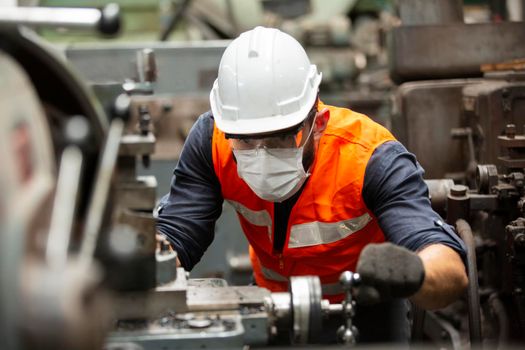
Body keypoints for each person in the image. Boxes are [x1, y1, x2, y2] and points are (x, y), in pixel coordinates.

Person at [156, 26, 468, 343]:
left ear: (316, 124)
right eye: (246, 141)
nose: (261, 154)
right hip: (270, 308)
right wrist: (140, 265)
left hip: (363, 316)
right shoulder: (213, 142)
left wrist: (412, 273)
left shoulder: (371, 159)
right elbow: (180, 233)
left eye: (280, 137)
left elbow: (449, 269)